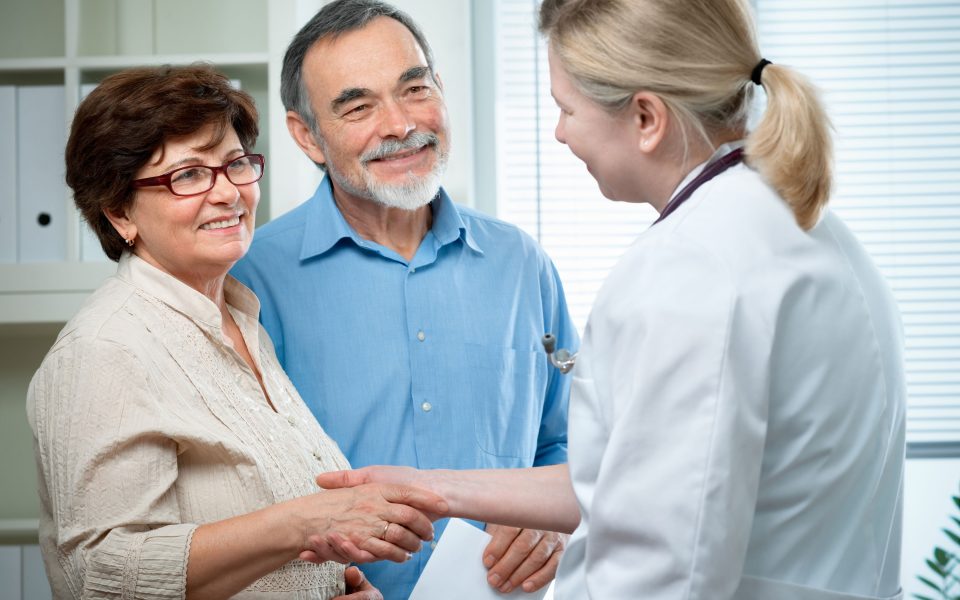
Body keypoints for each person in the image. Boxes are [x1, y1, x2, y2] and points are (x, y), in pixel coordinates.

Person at [314, 0, 909, 599]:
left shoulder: (689, 269)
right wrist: (437, 488)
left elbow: (661, 567)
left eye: (566, 108)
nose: (560, 131)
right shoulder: (807, 228)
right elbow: (637, 477)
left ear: (646, 118)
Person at [26, 64, 449, 600]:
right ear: (119, 213)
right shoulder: (103, 351)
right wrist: (307, 521)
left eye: (234, 165)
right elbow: (105, 576)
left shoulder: (243, 320)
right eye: (188, 175)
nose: (227, 193)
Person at [230, 1, 579, 597]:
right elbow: (235, 489)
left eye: (414, 89)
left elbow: (566, 443)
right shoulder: (248, 281)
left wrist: (552, 527)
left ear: (441, 89)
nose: (399, 124)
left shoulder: (523, 265)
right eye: (359, 106)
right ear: (306, 136)